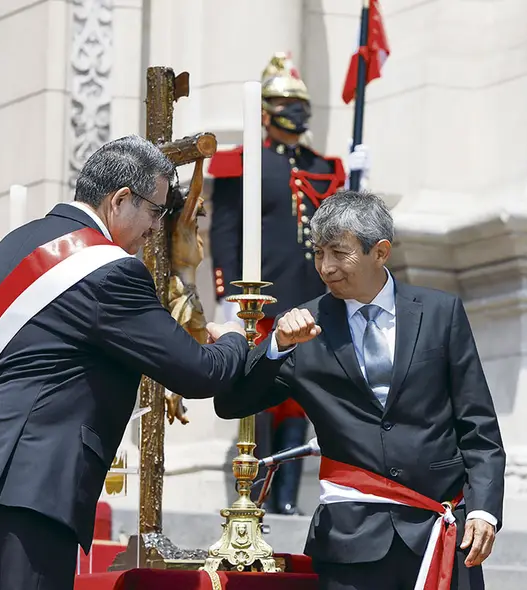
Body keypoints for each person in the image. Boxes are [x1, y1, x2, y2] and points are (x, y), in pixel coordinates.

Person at [0, 135, 248, 590]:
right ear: (121, 200)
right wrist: (234, 338)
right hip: (32, 484)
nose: (157, 228)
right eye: (155, 211)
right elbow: (196, 371)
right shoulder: (110, 271)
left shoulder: (7, 249)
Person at [214, 191, 506, 590]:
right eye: (319, 253)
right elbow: (233, 403)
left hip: (440, 533)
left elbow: (478, 426)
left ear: (380, 252)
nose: (326, 268)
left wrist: (485, 512)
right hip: (351, 544)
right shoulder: (300, 327)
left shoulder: (441, 314)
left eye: (339, 252)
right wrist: (277, 347)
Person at [208, 53, 367, 514]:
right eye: (281, 102)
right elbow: (224, 232)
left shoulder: (325, 167)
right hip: (260, 296)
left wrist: (357, 181)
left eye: (297, 103)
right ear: (264, 109)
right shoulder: (243, 163)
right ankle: (251, 495)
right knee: (259, 395)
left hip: (311, 297)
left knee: (299, 399)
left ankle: (287, 500)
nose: (292, 112)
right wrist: (225, 292)